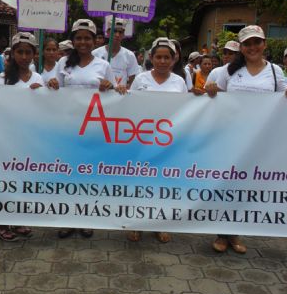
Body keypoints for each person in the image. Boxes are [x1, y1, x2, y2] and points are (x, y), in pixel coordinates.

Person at [206, 25, 287, 254]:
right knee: (226, 186)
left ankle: (235, 234)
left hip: (259, 141)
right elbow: (213, 97)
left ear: (264, 44)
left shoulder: (276, 72)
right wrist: (209, 90)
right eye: (247, 43)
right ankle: (221, 234)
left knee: (245, 188)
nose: (252, 47)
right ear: (241, 47)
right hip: (230, 139)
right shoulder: (227, 71)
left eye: (256, 42)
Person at [48, 19, 115, 239]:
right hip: (68, 128)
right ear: (73, 40)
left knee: (88, 175)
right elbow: (52, 91)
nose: (83, 42)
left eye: (87, 38)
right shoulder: (63, 63)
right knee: (67, 175)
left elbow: (114, 95)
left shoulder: (103, 65)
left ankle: (86, 218)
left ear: (94, 40)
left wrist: (109, 86)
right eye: (79, 38)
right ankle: (67, 219)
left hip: (93, 129)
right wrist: (53, 85)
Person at [127, 37, 187, 243]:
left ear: (174, 59)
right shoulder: (141, 79)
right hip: (142, 139)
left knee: (162, 183)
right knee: (140, 181)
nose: (162, 61)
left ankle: (159, 224)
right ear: (151, 58)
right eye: (158, 57)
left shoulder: (179, 81)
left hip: (167, 142)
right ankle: (136, 224)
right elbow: (129, 106)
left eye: (166, 57)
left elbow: (187, 109)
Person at [0, 32, 44, 241]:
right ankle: (2, 224)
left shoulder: (38, 78)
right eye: (20, 52)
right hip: (8, 139)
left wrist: (42, 92)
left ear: (34, 54)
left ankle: (19, 220)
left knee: (23, 182)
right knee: (6, 181)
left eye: (28, 52)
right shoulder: (2, 79)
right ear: (12, 53)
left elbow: (45, 108)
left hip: (29, 138)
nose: (24, 56)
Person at [92, 18, 140, 88]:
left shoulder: (129, 55)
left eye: (120, 32)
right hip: (98, 95)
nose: (117, 35)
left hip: (119, 96)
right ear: (107, 33)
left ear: (123, 35)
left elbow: (132, 79)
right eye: (114, 31)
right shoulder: (95, 54)